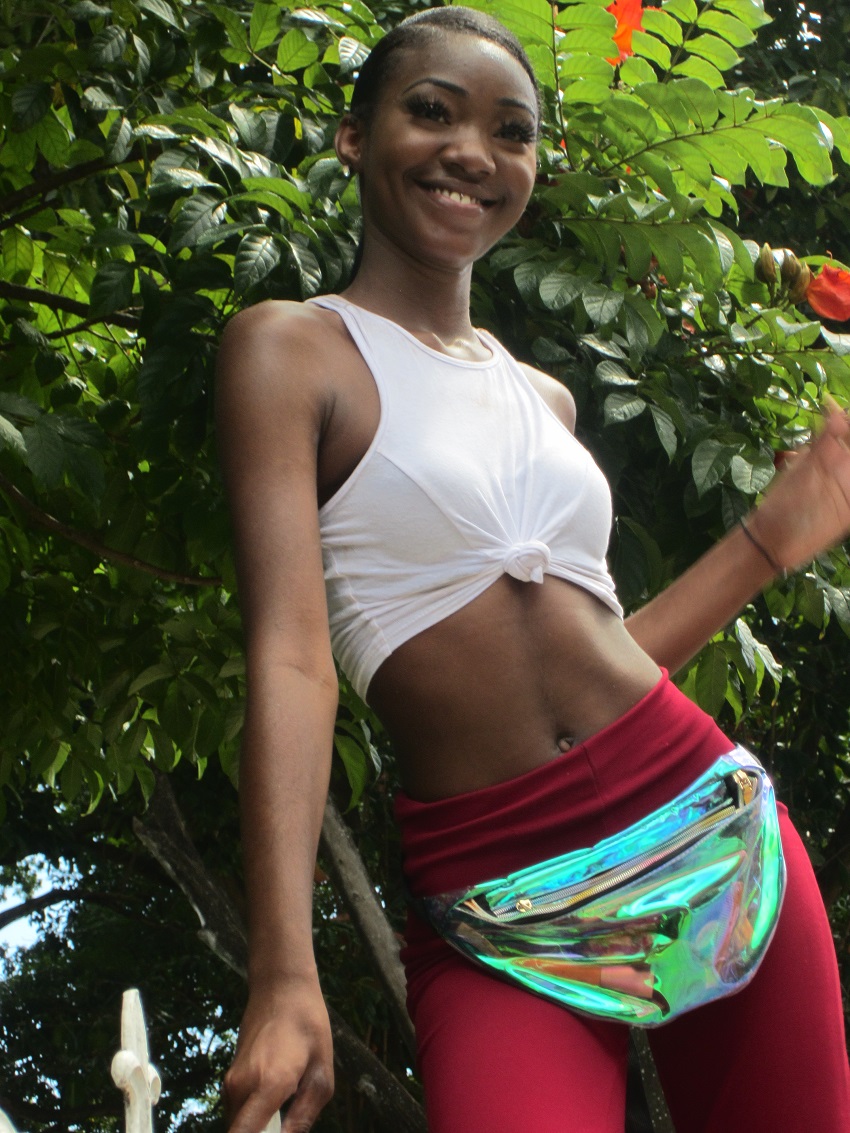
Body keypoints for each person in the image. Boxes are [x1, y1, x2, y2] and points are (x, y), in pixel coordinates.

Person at [215, 8, 850, 1132]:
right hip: (493, 898)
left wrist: (766, 540)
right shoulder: (290, 348)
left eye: (510, 130)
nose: (472, 151)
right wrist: (283, 969)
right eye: (431, 111)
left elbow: (602, 654)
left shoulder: (545, 398)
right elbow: (292, 655)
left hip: (706, 831)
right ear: (355, 136)